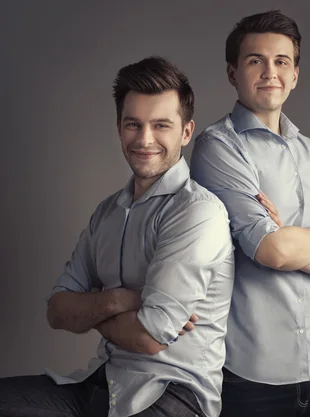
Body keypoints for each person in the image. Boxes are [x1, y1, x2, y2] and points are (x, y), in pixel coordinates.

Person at [0, 56, 235, 417]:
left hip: (174, 393)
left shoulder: (197, 213)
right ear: (119, 127)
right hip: (103, 381)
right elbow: (57, 310)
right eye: (133, 124)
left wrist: (91, 308)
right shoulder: (107, 213)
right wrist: (124, 300)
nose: (144, 139)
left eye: (161, 125)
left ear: (186, 132)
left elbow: (149, 337)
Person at [190, 10, 310, 417]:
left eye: (281, 61)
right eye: (256, 60)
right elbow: (271, 250)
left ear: (295, 75)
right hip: (251, 376)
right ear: (232, 72)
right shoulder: (218, 147)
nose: (270, 72)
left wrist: (294, 237)